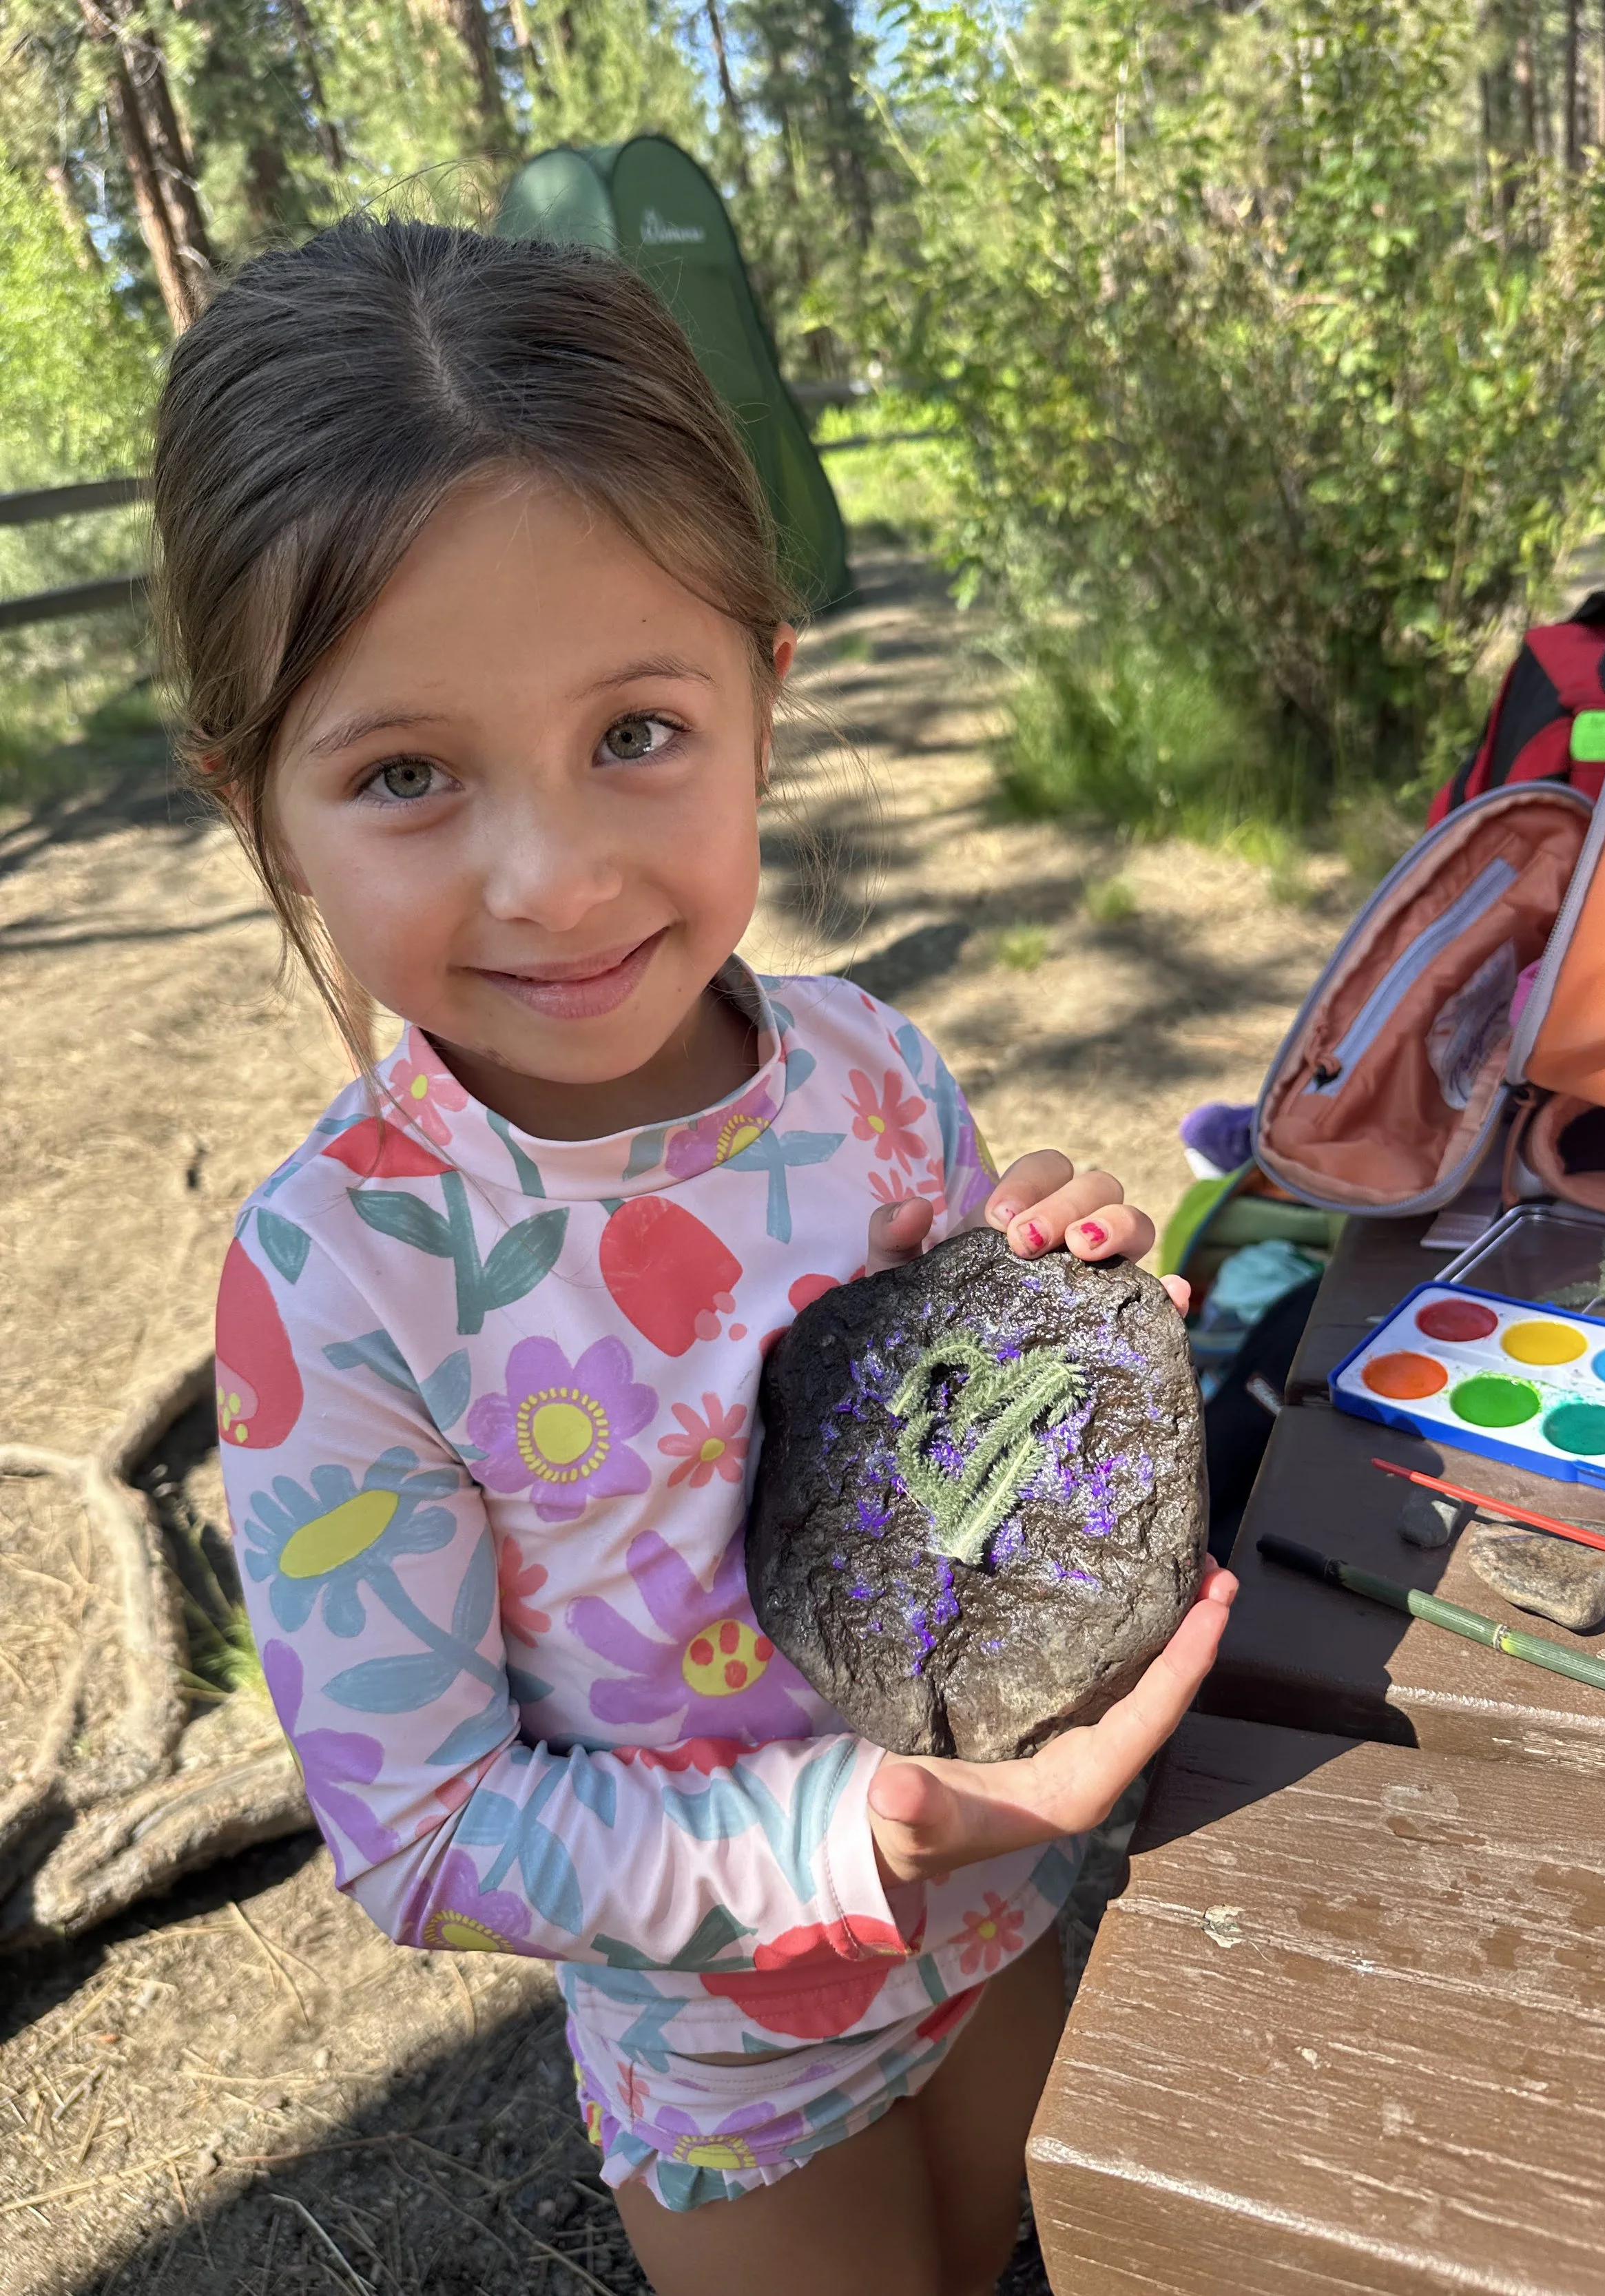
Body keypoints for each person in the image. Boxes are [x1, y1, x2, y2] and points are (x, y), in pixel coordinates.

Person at [163, 216, 1237, 2296]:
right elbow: (425, 1832)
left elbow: (970, 1449)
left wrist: (1058, 1285)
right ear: (258, 803)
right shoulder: (339, 1284)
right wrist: (865, 1840)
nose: (552, 876)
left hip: (1019, 1913)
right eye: (403, 772)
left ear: (765, 683)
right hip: (733, 2067)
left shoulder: (866, 1076)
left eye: (632, 730)